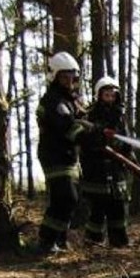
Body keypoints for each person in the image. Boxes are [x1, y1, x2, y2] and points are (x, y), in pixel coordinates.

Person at [35, 52, 93, 254]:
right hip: (55, 155)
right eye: (64, 77)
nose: (69, 82)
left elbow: (82, 119)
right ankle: (46, 240)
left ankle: (58, 240)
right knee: (66, 197)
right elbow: (68, 128)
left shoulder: (69, 100)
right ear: (55, 77)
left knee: (69, 199)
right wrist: (90, 137)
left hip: (67, 156)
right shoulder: (53, 101)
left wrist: (96, 129)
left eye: (72, 78)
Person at [79, 76, 134, 248]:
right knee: (97, 209)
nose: (110, 98)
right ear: (99, 95)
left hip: (116, 170)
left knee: (117, 207)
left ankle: (119, 242)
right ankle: (93, 243)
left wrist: (131, 158)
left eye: (112, 95)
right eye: (106, 95)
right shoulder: (90, 115)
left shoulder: (119, 117)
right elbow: (85, 140)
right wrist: (100, 137)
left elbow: (126, 142)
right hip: (96, 170)